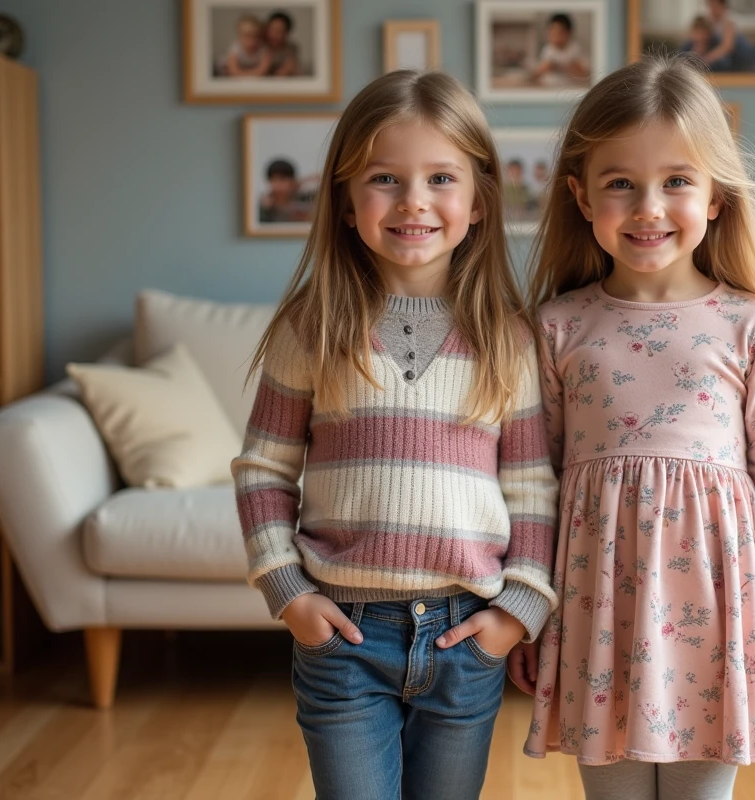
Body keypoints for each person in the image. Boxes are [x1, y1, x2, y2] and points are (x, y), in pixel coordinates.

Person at [233, 70, 559, 800]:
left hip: (465, 634)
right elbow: (263, 470)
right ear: (347, 204)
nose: (413, 201)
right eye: (385, 178)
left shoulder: (509, 340)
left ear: (477, 203)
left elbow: (534, 487)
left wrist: (520, 609)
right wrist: (287, 592)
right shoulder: (310, 329)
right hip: (343, 639)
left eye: (440, 177)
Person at [511, 54, 755, 799]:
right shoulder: (555, 327)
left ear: (716, 197)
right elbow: (531, 481)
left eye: (677, 181)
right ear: (582, 198)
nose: (649, 206)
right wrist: (525, 609)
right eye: (622, 183)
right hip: (596, 608)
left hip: (719, 614)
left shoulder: (750, 327)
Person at [532, 13, 590, 86]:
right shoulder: (548, 49)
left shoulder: (574, 48)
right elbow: (538, 73)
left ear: (568, 33)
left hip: (569, 87)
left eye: (558, 33)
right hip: (550, 87)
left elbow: (584, 74)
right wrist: (545, 68)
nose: (554, 37)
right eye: (552, 33)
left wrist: (571, 67)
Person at [258, 158, 316, 223]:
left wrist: (303, 181)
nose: (278, 185)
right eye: (274, 180)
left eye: (282, 179)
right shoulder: (265, 205)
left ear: (292, 181)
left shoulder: (304, 198)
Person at [265, 11, 301, 76]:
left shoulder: (291, 48)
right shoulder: (259, 46)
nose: (274, 34)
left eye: (279, 31)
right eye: (272, 29)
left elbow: (291, 70)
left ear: (286, 34)